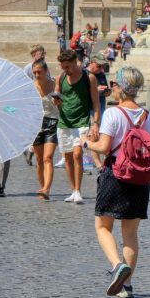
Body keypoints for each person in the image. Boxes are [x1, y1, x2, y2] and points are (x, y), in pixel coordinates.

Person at [82, 66, 150, 298]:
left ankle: (117, 266)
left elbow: (104, 148)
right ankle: (128, 285)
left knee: (103, 226)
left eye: (114, 85)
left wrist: (85, 143)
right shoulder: (148, 116)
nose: (112, 88)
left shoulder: (113, 114)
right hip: (140, 177)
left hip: (115, 174)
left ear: (122, 89)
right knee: (131, 234)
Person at [53, 49, 101, 204]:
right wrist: (57, 101)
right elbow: (58, 95)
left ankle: (78, 191)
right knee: (67, 159)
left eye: (67, 67)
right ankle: (73, 190)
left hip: (82, 121)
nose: (65, 70)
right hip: (64, 121)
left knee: (77, 155)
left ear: (75, 62)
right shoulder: (61, 77)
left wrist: (95, 123)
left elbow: (96, 103)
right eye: (63, 67)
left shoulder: (89, 78)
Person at [31, 60, 59, 200]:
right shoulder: (31, 87)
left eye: (39, 72)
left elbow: (63, 104)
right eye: (34, 72)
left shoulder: (55, 84)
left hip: (52, 122)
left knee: (48, 157)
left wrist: (59, 102)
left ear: (46, 71)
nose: (37, 75)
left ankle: (47, 188)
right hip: (36, 124)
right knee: (39, 159)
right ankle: (42, 187)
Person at [88, 53, 111, 169]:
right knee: (94, 135)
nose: (101, 68)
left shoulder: (101, 74)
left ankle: (102, 162)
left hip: (101, 108)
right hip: (90, 109)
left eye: (102, 66)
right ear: (91, 63)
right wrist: (95, 90)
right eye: (98, 66)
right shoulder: (85, 74)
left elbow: (105, 88)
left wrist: (107, 92)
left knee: (102, 136)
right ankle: (98, 163)